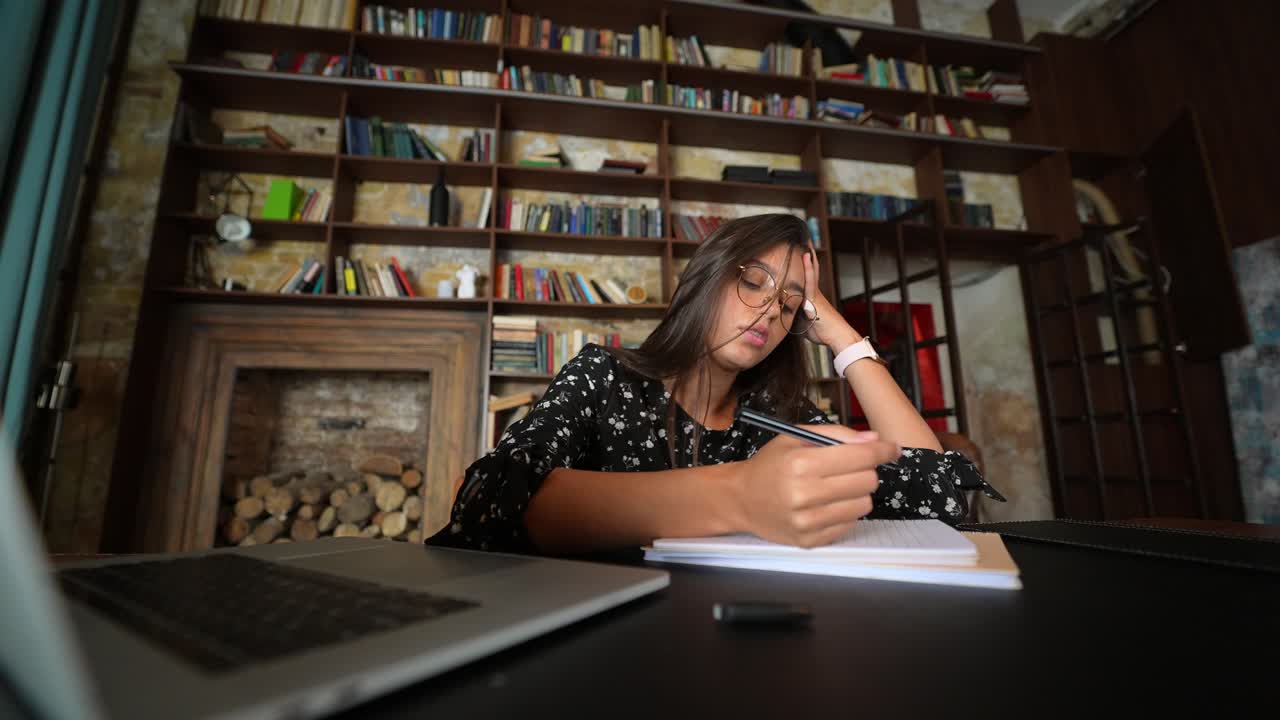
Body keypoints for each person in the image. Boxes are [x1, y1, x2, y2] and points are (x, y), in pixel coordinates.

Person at [428, 214, 1002, 555]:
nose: (770, 313)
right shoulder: (604, 377)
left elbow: (938, 491)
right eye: (753, 282)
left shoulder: (782, 420)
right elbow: (488, 501)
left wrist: (839, 333)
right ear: (705, 277)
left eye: (790, 304)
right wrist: (741, 495)